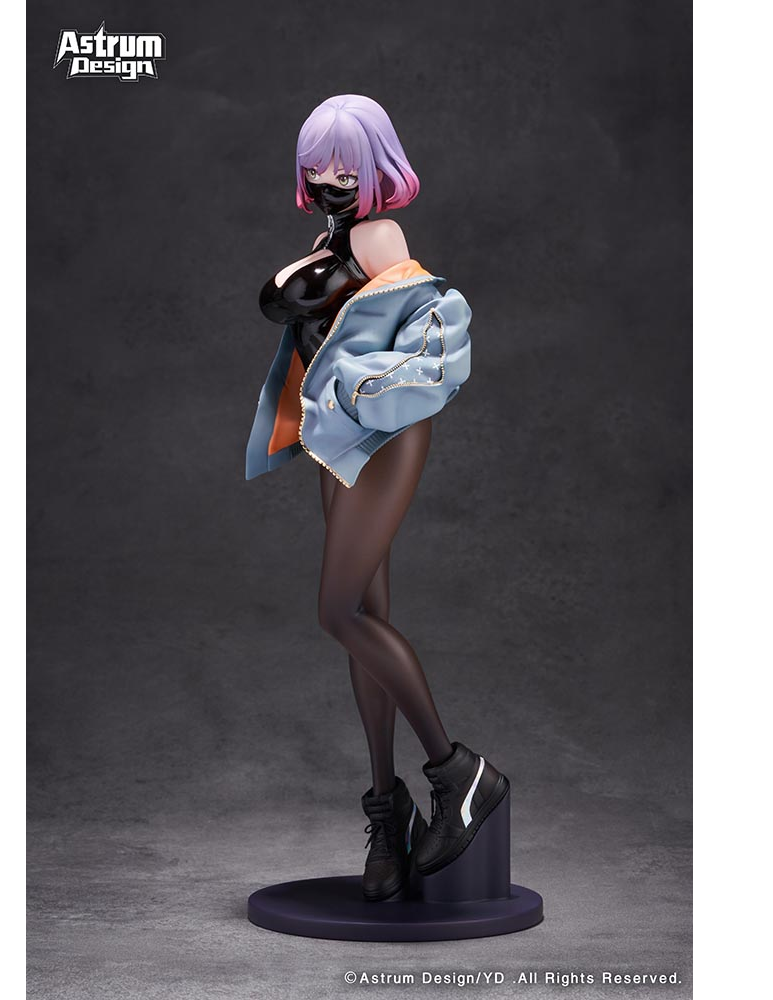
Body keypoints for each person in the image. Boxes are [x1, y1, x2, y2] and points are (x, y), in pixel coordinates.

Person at [247, 94, 509, 901]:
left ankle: (458, 773)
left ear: (375, 166)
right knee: (366, 617)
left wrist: (353, 384)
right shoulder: (333, 237)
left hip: (381, 437)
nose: (329, 177)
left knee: (338, 613)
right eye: (316, 165)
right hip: (338, 438)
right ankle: (386, 814)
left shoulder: (378, 236)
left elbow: (422, 338)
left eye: (345, 165)